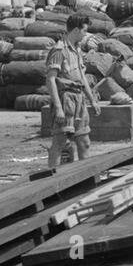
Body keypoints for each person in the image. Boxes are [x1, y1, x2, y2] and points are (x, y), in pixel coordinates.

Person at [45, 15, 100, 167]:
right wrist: (58, 108)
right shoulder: (59, 50)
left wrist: (92, 101)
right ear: (76, 30)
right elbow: (50, 80)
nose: (85, 35)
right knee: (60, 142)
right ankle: (53, 181)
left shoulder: (77, 50)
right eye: (84, 31)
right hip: (65, 100)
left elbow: (82, 77)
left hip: (79, 99)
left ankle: (85, 177)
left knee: (84, 142)